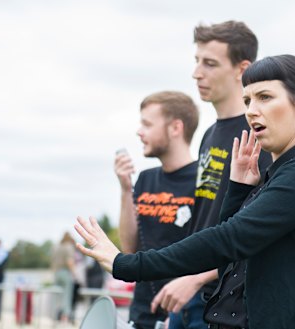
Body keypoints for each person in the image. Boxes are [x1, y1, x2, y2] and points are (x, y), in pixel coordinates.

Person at [74, 54, 295, 329]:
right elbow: (229, 255)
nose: (251, 110)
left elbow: (228, 239)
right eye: (248, 100)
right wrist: (238, 190)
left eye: (265, 97)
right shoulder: (273, 177)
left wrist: (128, 265)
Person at [151, 21, 272, 329]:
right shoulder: (208, 134)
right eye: (196, 62)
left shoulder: (259, 136)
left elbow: (259, 235)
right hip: (187, 296)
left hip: (224, 301)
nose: (197, 73)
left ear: (241, 69)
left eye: (210, 63)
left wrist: (197, 278)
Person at [115, 91, 199, 329]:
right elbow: (130, 249)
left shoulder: (204, 181)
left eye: (147, 124)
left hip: (186, 315)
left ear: (175, 128)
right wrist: (125, 190)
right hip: (142, 313)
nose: (139, 132)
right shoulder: (145, 179)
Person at [51, 232, 77, 323]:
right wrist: (74, 273)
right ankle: (64, 317)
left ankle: (55, 316)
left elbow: (52, 261)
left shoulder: (56, 247)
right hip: (65, 273)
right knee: (67, 295)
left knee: (57, 295)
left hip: (56, 273)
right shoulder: (68, 247)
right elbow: (69, 261)